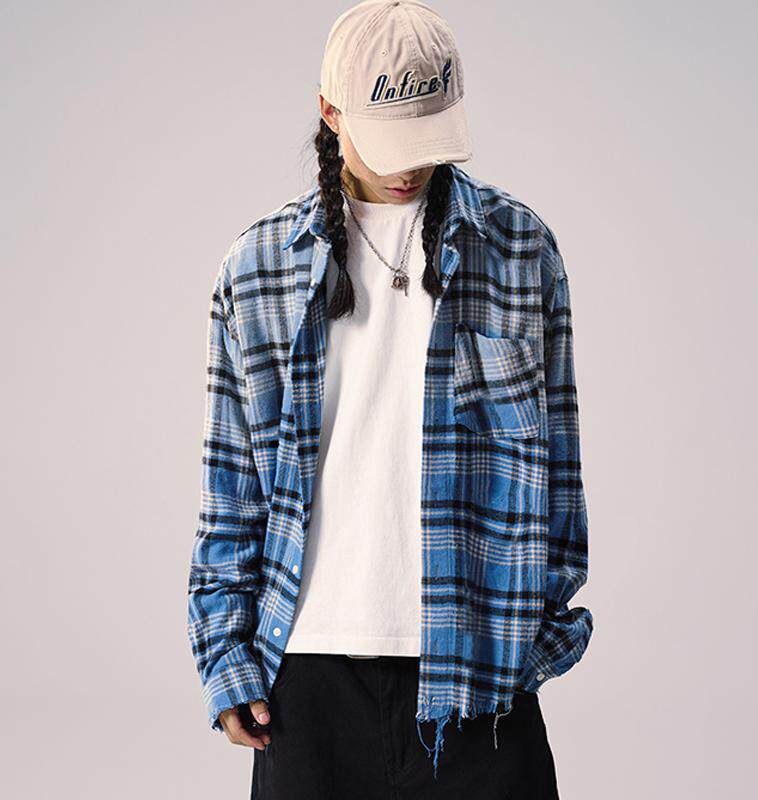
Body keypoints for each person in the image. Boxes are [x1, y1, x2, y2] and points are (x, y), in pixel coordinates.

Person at [186, 1, 593, 797]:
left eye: (428, 137)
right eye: (391, 138)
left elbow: (560, 467)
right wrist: (225, 655)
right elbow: (230, 485)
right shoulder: (257, 267)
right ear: (330, 111)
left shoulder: (519, 249)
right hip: (308, 677)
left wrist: (531, 643)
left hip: (482, 677)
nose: (412, 166)